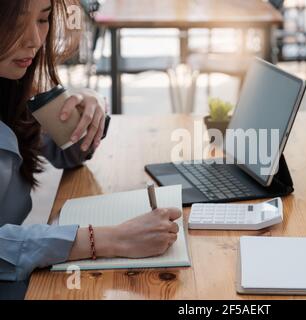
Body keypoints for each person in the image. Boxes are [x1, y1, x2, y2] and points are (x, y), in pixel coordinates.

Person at [0, 0, 181, 285]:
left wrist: (84, 109)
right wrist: (111, 239)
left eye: (43, 20)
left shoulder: (12, 86)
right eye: (16, 21)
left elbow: (67, 156)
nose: (34, 40)